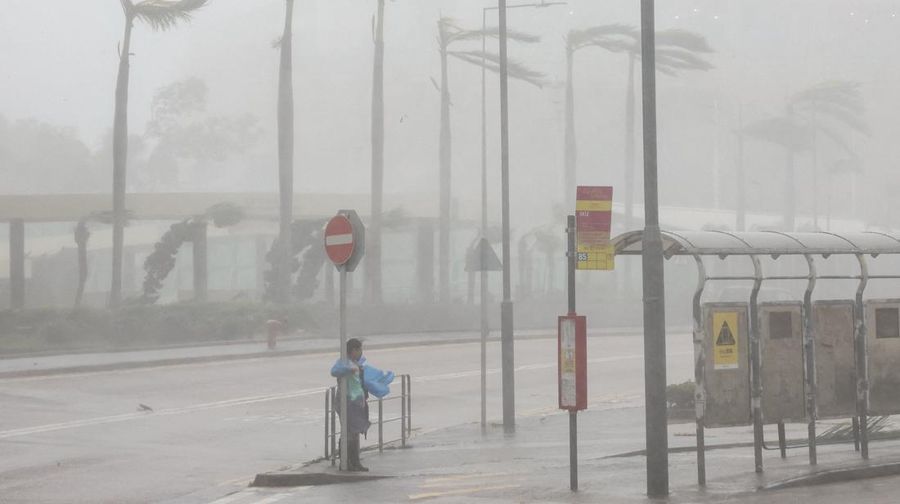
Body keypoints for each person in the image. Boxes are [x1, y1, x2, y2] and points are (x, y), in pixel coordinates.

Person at [330, 338, 370, 472]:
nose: (361, 353)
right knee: (348, 432)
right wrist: (349, 369)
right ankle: (345, 461)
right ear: (353, 350)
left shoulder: (357, 363)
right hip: (345, 401)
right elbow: (334, 371)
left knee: (355, 432)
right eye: (359, 350)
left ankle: (355, 461)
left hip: (356, 401)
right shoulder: (344, 363)